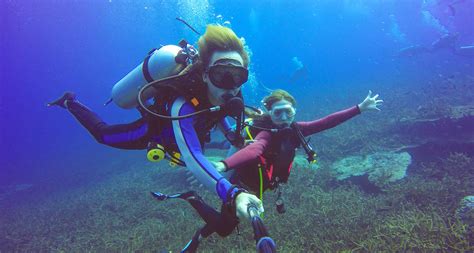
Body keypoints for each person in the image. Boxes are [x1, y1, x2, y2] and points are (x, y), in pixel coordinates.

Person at [47, 25, 264, 233]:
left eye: (237, 76)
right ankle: (70, 102)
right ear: (206, 75)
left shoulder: (230, 94)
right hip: (155, 132)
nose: (229, 84)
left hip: (189, 133)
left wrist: (230, 135)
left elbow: (218, 112)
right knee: (103, 135)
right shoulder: (183, 106)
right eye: (221, 74)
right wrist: (233, 194)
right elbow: (193, 156)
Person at [153, 89, 383, 252]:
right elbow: (255, 150)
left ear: (294, 111)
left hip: (262, 185)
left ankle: (199, 234)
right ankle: (192, 200)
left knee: (229, 222)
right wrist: (224, 165)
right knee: (225, 227)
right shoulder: (265, 132)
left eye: (288, 112)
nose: (283, 118)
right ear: (269, 113)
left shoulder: (297, 129)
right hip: (243, 186)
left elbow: (326, 122)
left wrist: (359, 108)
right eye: (278, 113)